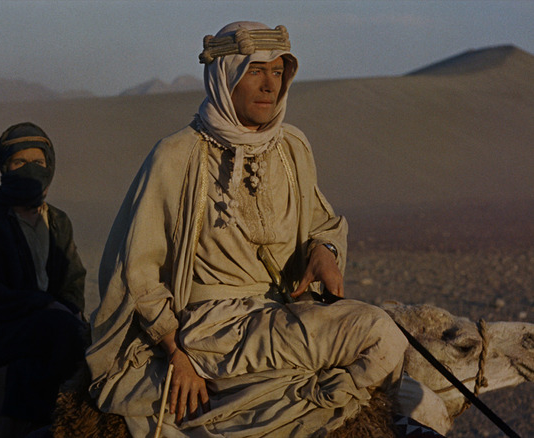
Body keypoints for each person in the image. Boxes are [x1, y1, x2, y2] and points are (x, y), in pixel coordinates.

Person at [86, 21, 410, 437]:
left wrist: (324, 252)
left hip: (284, 314)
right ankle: (308, 399)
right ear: (224, 77)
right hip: (213, 330)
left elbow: (322, 223)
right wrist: (176, 353)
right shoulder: (177, 155)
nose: (269, 85)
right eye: (255, 71)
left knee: (387, 340)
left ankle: (316, 399)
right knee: (378, 331)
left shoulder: (292, 146)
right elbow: (138, 271)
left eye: (278, 71)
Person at [0, 122, 88, 433]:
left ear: (50, 165)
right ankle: (38, 425)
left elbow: (73, 280)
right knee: (60, 330)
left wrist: (68, 308)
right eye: (19, 162)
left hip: (50, 323)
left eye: (38, 162)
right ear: (4, 167)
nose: (30, 169)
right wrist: (42, 305)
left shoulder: (58, 221)